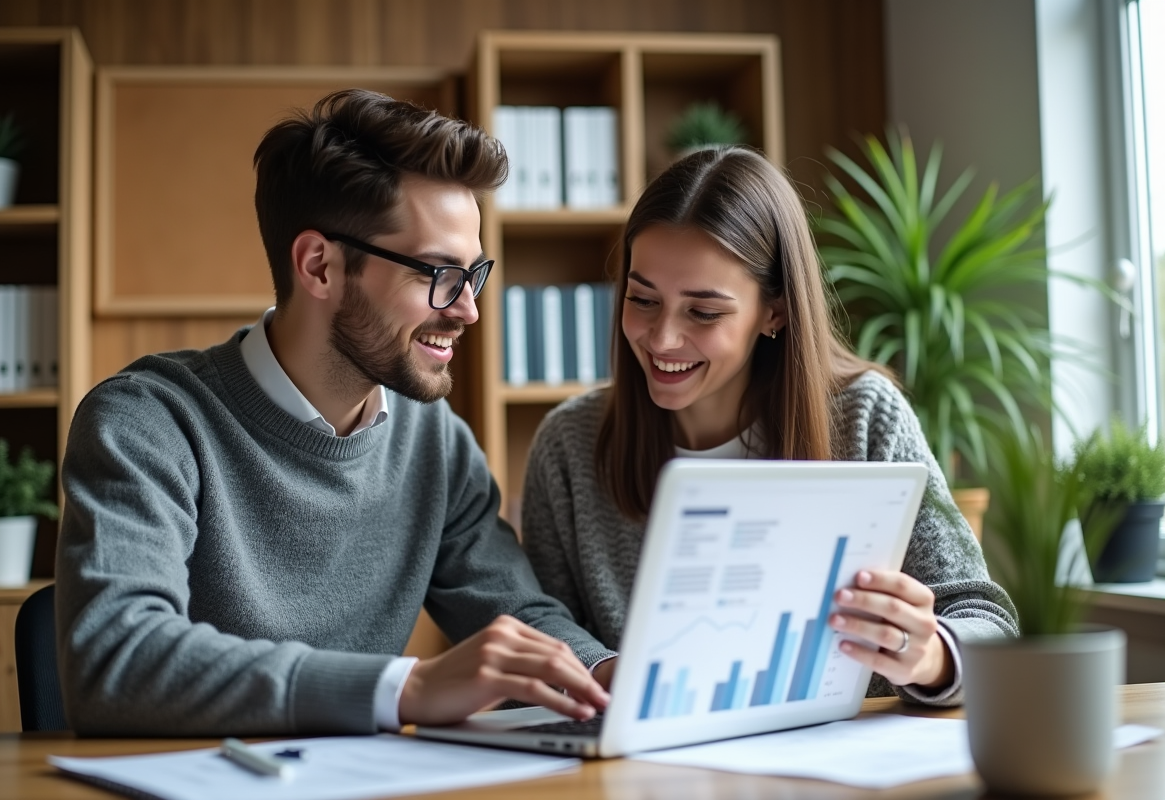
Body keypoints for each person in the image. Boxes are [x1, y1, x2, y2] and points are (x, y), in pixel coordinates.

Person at [55, 89, 613, 736]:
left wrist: (605, 675)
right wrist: (407, 686)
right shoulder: (148, 423)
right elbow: (116, 660)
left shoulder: (435, 442)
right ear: (320, 266)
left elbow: (515, 614)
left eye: (472, 274)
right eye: (436, 273)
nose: (467, 310)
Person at [521, 145, 1017, 705]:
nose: (660, 339)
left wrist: (930, 656)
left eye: (703, 312)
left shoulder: (863, 416)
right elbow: (537, 627)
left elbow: (987, 624)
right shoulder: (570, 444)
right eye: (642, 299)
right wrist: (601, 671)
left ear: (774, 312)